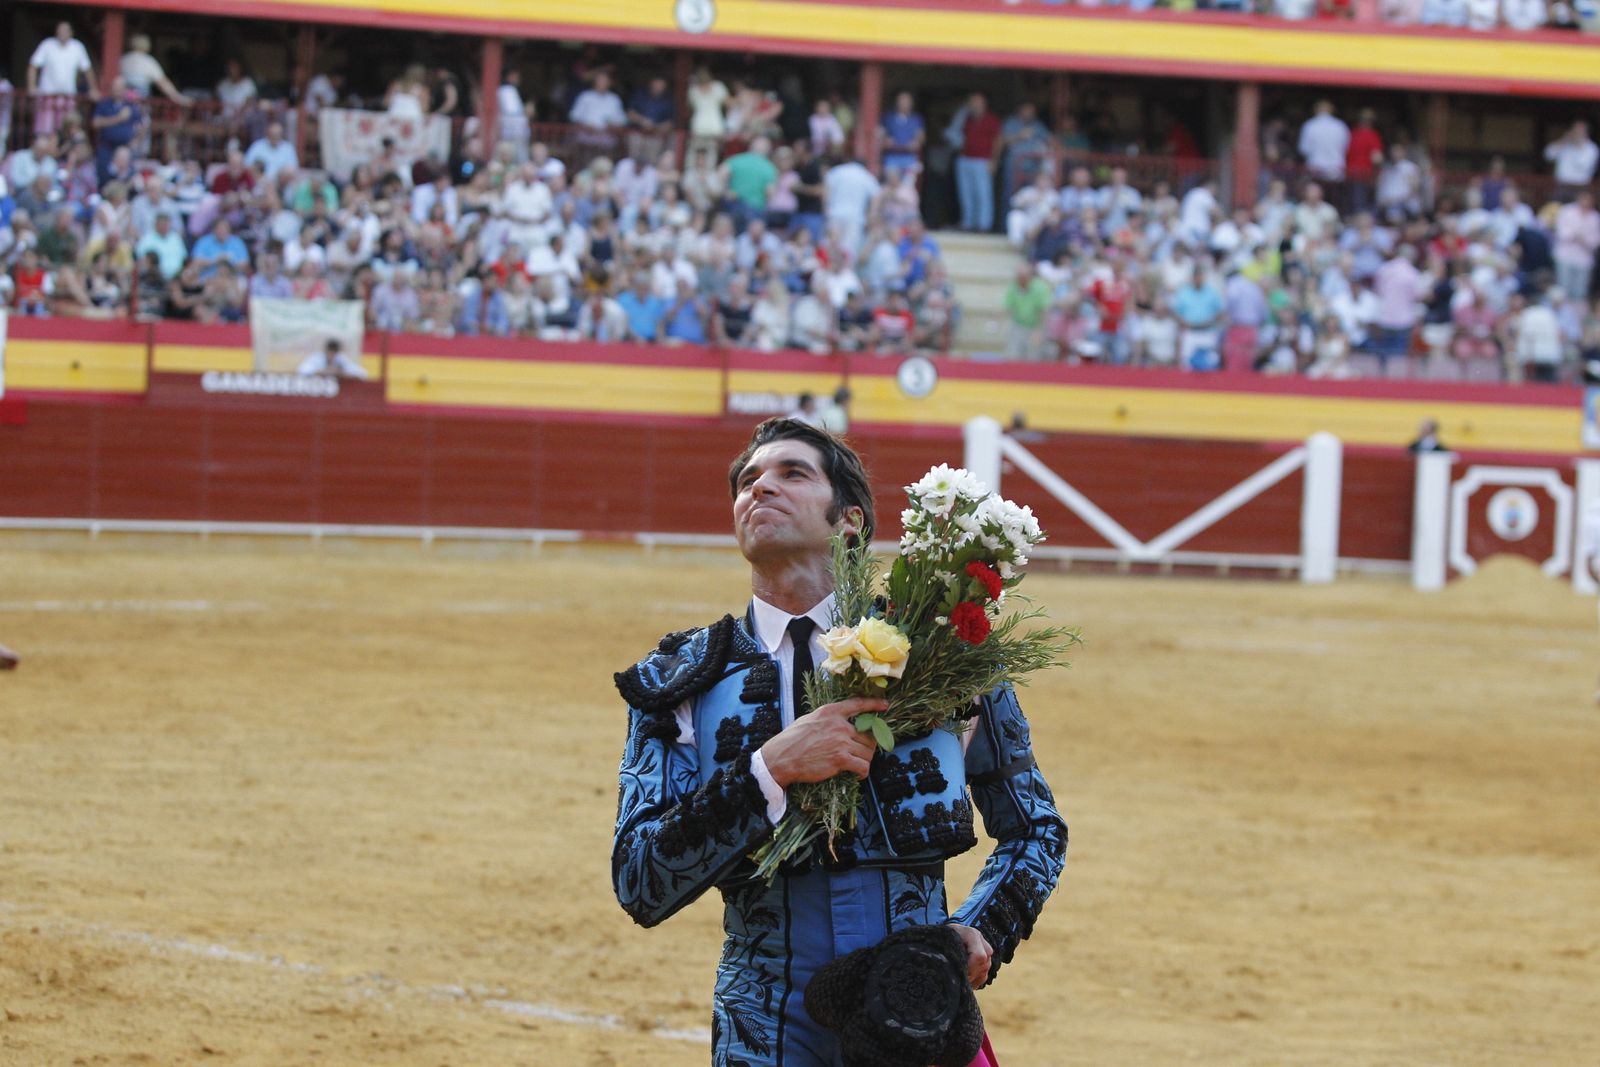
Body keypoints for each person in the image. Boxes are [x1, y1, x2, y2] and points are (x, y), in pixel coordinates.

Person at [612, 417, 1066, 1067]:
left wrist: (979, 929)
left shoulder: (945, 659)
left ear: (848, 520)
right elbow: (640, 877)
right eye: (747, 480)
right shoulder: (683, 680)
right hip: (762, 1026)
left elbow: (1035, 828)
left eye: (791, 473)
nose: (760, 488)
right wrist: (769, 768)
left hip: (916, 1015)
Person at [297, 339, 368, 379]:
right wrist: (321, 372)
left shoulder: (340, 359)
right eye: (330, 353)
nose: (332, 356)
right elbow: (302, 370)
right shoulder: (317, 358)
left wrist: (342, 373)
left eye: (334, 353)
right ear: (326, 351)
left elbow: (363, 373)